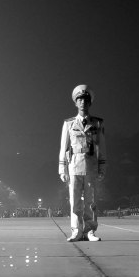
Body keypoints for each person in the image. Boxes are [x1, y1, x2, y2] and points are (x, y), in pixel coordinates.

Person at [58, 83, 107, 242]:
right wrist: (62, 168)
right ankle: (76, 231)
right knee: (75, 200)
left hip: (91, 165)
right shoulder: (69, 123)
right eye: (80, 100)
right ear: (75, 102)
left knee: (91, 201)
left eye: (85, 100)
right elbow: (63, 147)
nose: (83, 103)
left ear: (90, 102)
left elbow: (102, 147)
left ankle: (90, 231)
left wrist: (102, 167)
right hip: (73, 165)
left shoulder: (97, 123)